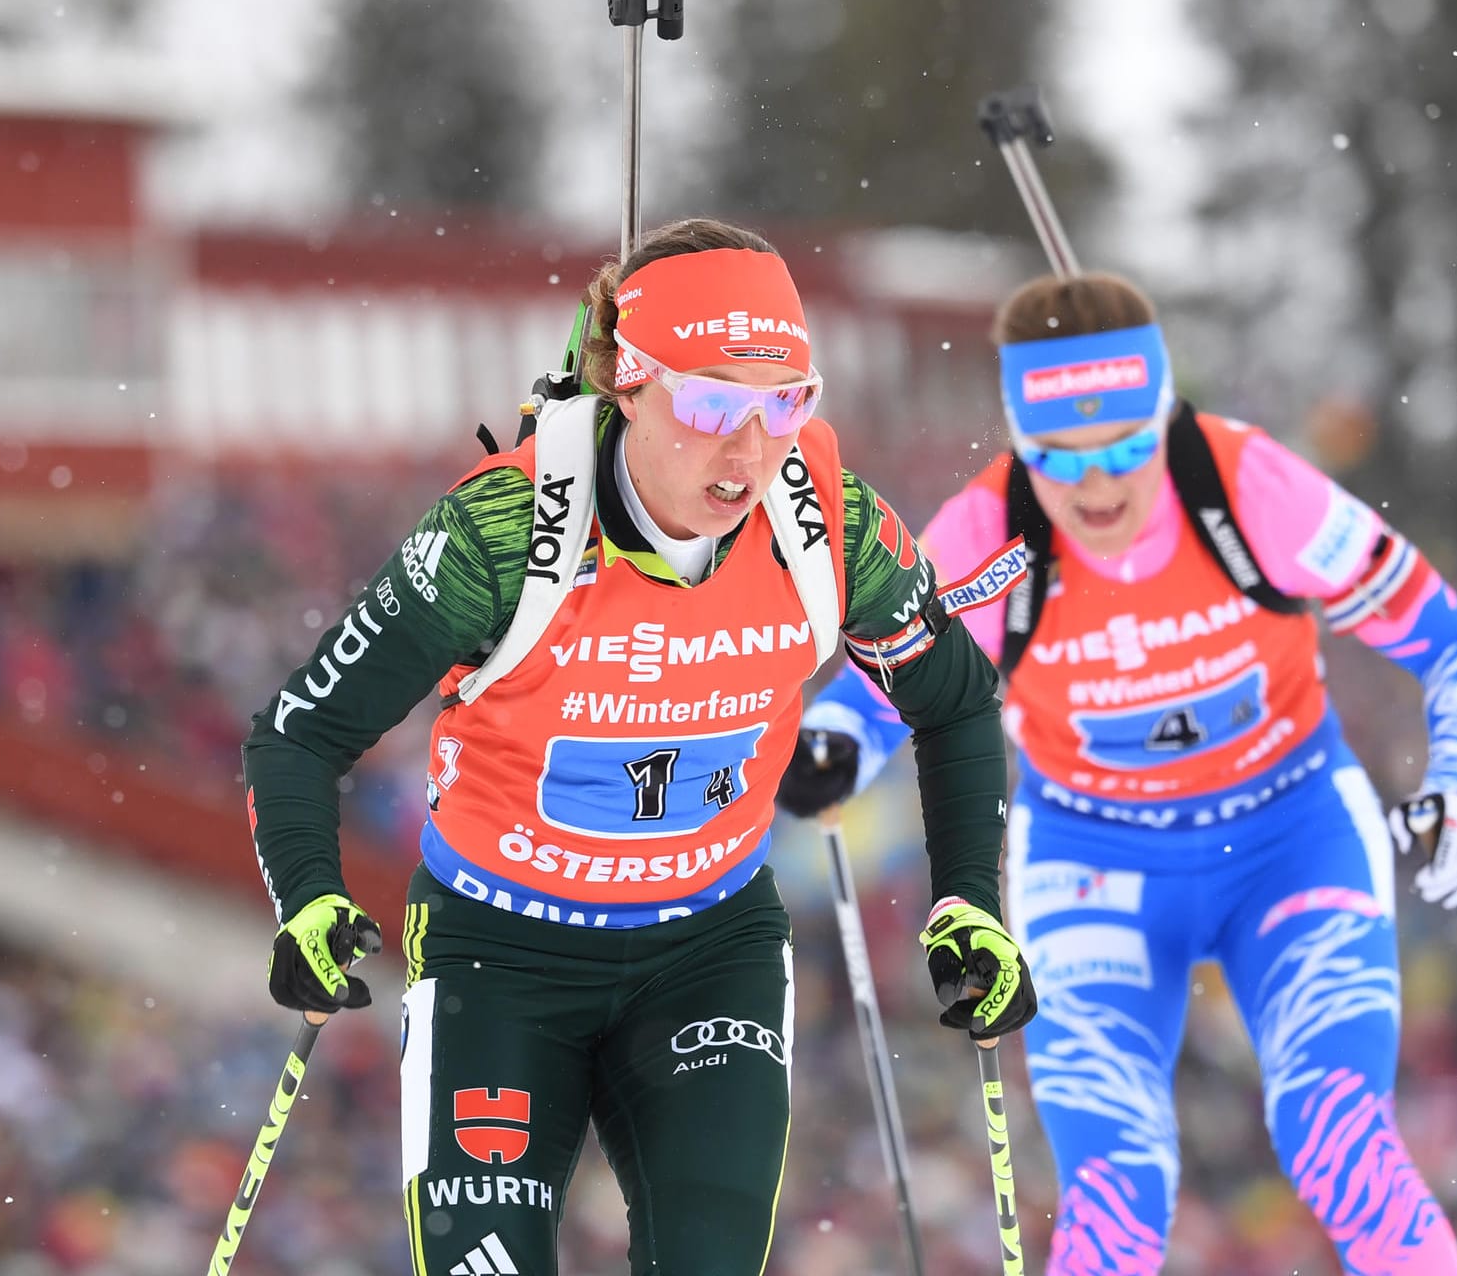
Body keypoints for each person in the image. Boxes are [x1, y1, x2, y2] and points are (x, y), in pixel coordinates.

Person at [242, 217, 1036, 1276]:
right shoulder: (502, 535)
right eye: (710, 402)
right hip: (499, 953)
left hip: (706, 955)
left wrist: (968, 897)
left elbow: (959, 701)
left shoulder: (826, 522)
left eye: (783, 404)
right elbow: (301, 732)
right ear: (628, 381)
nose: (748, 448)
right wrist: (307, 892)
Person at [779, 272, 1457, 1274]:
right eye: (1057, 457)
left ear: (1164, 417)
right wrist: (829, 748)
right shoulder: (992, 532)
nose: (1097, 486)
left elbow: (1453, 640)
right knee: (1118, 1190)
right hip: (1095, 859)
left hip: (1289, 836)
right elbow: (874, 691)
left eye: (1126, 445)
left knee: (1338, 1141)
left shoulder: (1250, 487)